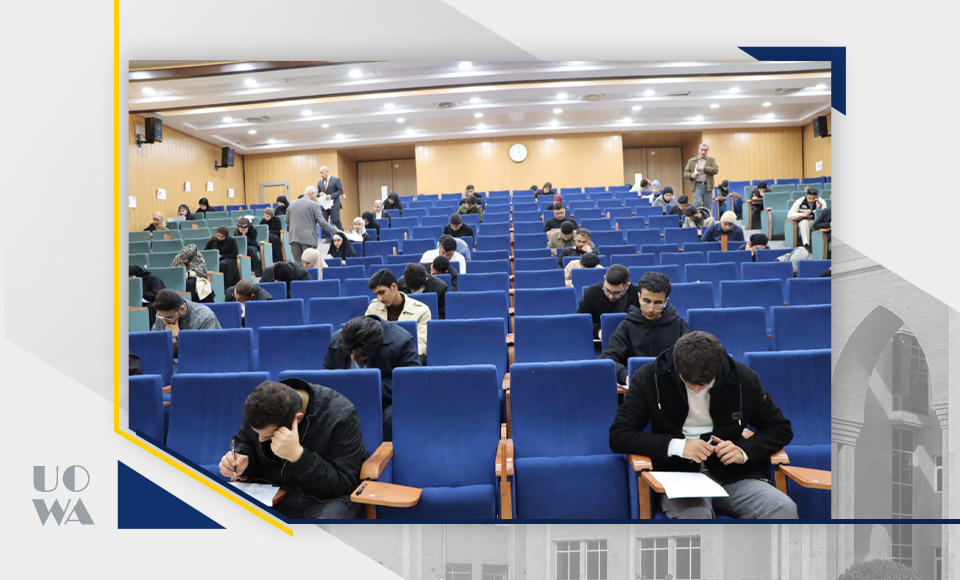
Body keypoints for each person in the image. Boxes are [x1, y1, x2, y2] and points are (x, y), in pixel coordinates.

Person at [609, 331, 798, 519]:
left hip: (733, 475)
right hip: (679, 476)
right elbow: (619, 435)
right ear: (677, 367)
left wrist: (743, 451)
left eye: (704, 383)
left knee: (783, 508)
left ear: (718, 369)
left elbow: (780, 428)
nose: (697, 390)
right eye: (689, 383)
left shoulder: (743, 380)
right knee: (696, 517)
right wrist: (678, 447)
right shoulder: (650, 378)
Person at [218, 379, 367, 519]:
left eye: (269, 436)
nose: (261, 440)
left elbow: (343, 482)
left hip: (326, 499)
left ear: (298, 418)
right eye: (258, 433)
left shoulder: (340, 415)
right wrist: (244, 460)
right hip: (277, 493)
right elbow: (244, 442)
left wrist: (298, 456)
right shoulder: (261, 408)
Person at [324, 315, 421, 441]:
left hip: (385, 401)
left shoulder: (402, 341)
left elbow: (411, 385)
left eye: (359, 355)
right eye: (349, 352)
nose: (352, 357)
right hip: (343, 400)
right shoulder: (337, 340)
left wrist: (367, 386)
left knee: (394, 416)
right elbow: (327, 379)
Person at [600, 272, 693, 386]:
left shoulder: (678, 324)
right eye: (646, 301)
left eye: (658, 303)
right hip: (637, 386)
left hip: (671, 386)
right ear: (639, 297)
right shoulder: (627, 326)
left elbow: (693, 356)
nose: (651, 309)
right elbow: (608, 358)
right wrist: (626, 376)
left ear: (666, 301)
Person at [365, 268, 431, 360]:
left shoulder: (421, 310)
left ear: (394, 286)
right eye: (376, 294)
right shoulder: (373, 308)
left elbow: (421, 345)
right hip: (379, 360)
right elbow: (366, 338)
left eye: (381, 292)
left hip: (408, 359)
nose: (379, 298)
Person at [150, 288, 220, 357]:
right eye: (161, 317)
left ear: (182, 309)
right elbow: (155, 345)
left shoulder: (205, 317)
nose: (164, 321)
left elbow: (203, 351)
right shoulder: (162, 314)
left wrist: (178, 337)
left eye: (169, 318)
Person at [577, 264, 641, 340]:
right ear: (604, 279)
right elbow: (581, 321)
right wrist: (598, 331)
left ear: (627, 286)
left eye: (616, 293)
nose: (610, 296)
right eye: (607, 290)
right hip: (600, 341)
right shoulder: (592, 293)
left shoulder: (638, 294)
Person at [284, 185, 337, 262]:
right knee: (309, 263)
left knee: (297, 263)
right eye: (316, 195)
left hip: (294, 238)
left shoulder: (292, 204)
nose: (317, 198)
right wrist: (335, 231)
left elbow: (286, 220)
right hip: (308, 239)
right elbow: (322, 222)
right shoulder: (314, 205)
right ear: (312, 193)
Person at [683, 143, 719, 209]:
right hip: (696, 185)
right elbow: (685, 173)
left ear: (708, 151)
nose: (703, 152)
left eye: (705, 150)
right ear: (698, 150)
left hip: (708, 186)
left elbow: (716, 170)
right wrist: (691, 175)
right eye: (702, 150)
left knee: (707, 205)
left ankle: (706, 216)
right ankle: (697, 215)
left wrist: (704, 169)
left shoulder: (711, 160)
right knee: (698, 202)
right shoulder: (692, 161)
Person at [317, 165, 344, 239]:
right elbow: (317, 193)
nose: (321, 175)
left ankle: (342, 233)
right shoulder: (319, 183)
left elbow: (340, 191)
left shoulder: (336, 180)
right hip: (324, 205)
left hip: (334, 204)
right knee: (323, 221)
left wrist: (331, 196)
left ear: (327, 172)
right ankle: (328, 237)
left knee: (335, 220)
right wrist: (319, 194)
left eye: (322, 173)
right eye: (320, 173)